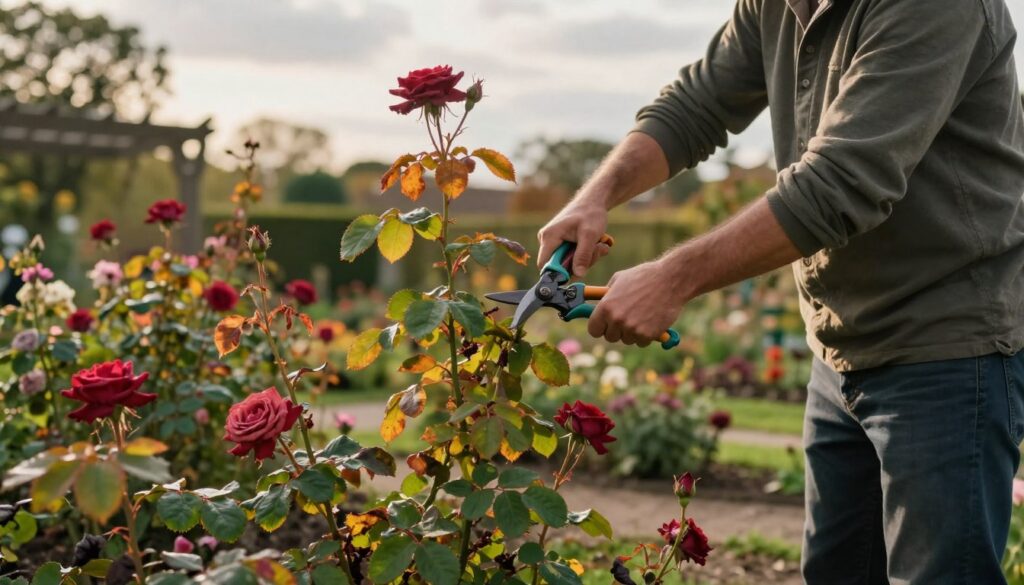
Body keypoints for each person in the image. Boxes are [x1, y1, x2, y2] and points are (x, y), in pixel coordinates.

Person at [536, 0, 1024, 583]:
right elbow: (696, 104)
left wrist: (672, 277)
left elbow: (840, 184)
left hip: (945, 350)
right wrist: (595, 194)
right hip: (838, 352)